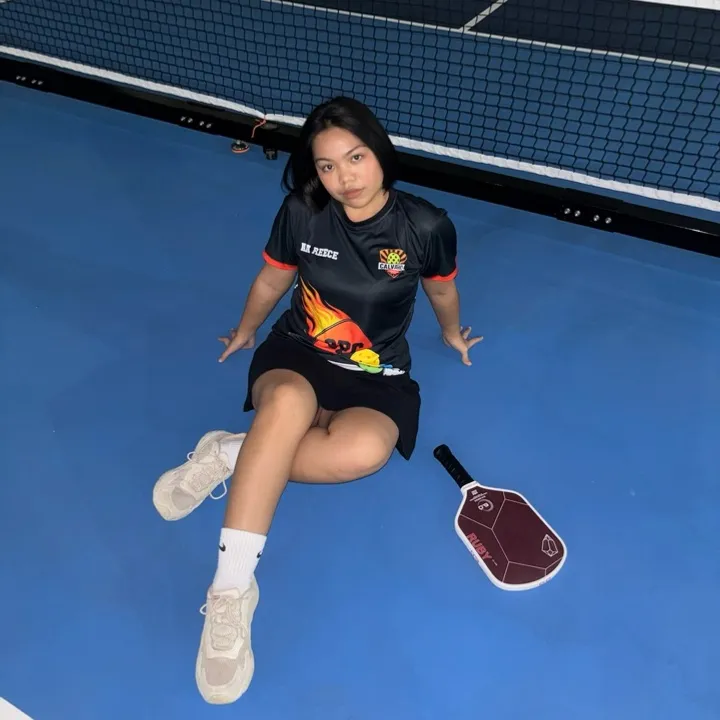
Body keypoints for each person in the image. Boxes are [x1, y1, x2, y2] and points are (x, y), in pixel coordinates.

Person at [152, 96, 482, 704]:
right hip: (297, 354)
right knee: (286, 407)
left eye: (355, 158)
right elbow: (274, 278)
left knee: (364, 453)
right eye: (327, 166)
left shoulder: (425, 225)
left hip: (377, 373)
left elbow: (442, 291)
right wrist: (247, 329)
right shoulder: (304, 213)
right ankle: (231, 591)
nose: (344, 177)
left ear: (379, 154)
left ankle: (232, 453)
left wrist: (452, 334)